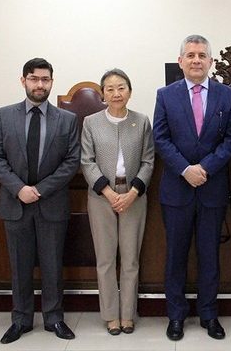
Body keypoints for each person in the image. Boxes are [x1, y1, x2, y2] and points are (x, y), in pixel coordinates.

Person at [153, 34, 231, 341]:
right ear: (180, 61)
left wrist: (204, 168)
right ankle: (176, 316)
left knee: (209, 257)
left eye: (202, 55)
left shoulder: (227, 96)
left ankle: (209, 314)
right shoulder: (166, 95)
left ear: (211, 62)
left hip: (212, 188)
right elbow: (161, 139)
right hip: (176, 190)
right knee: (175, 256)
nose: (196, 60)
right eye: (190, 55)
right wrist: (186, 169)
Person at [0, 58, 80, 344]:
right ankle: (21, 319)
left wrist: (39, 189)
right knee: (19, 265)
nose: (39, 84)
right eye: (34, 78)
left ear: (52, 82)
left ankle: (54, 318)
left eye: (45, 79)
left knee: (53, 265)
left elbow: (71, 162)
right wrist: (19, 189)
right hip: (15, 204)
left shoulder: (67, 119)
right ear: (23, 81)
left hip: (51, 203)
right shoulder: (3, 116)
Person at [81, 69, 154, 335]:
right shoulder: (91, 122)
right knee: (106, 259)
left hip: (134, 196)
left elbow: (148, 161)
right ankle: (111, 315)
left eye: (121, 87)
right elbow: (86, 162)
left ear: (130, 91)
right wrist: (109, 193)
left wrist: (133, 192)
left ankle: (127, 314)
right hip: (101, 197)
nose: (116, 93)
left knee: (131, 259)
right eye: (110, 89)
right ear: (103, 94)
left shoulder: (141, 121)